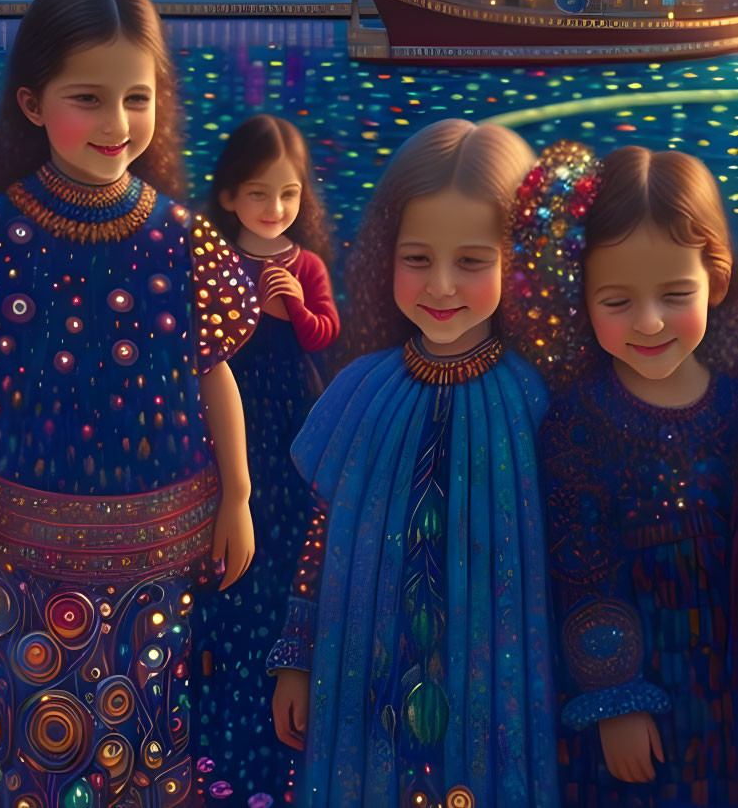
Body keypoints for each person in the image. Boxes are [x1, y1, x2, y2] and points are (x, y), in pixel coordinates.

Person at [0, 0, 258, 808]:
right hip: (11, 544)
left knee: (145, 728)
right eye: (86, 99)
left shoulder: (182, 236)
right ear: (30, 102)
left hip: (158, 546)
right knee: (20, 730)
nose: (116, 125)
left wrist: (236, 497)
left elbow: (213, 372)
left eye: (136, 98)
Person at [268, 120, 560, 807]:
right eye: (417, 258)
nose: (440, 285)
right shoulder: (357, 390)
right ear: (383, 256)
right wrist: (296, 656)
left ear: (519, 262)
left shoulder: (535, 398)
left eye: (471, 260)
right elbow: (319, 535)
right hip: (359, 663)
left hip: (495, 672)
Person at [512, 144, 738, 807]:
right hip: (634, 685)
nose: (647, 322)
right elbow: (582, 566)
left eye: (674, 295)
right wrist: (613, 697)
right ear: (582, 297)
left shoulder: (731, 407)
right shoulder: (575, 421)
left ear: (714, 281)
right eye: (617, 299)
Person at [193, 114, 338, 805]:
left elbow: (323, 335)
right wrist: (250, 304)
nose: (274, 210)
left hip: (289, 408)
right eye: (259, 195)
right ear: (228, 197)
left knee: (290, 521)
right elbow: (203, 338)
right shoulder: (216, 257)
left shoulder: (304, 263)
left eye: (286, 195)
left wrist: (295, 308)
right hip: (233, 400)